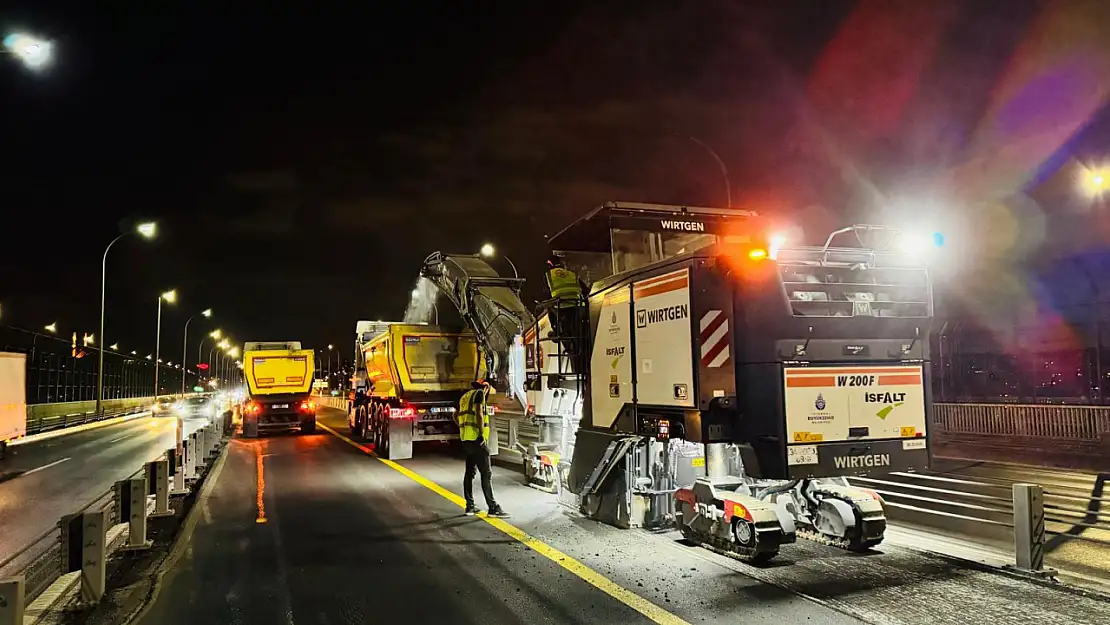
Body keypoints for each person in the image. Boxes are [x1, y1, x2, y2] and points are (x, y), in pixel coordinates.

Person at [456, 380, 507, 517]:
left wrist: (463, 428)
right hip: (476, 439)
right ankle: (493, 508)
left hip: (466, 439)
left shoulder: (465, 397)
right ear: (485, 387)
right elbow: (478, 413)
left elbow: (455, 415)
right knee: (486, 473)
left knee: (469, 473)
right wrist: (481, 433)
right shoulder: (479, 394)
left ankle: (470, 507)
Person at [544, 255, 585, 348]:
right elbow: (585, 289)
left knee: (548, 305)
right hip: (576, 306)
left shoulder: (549, 275)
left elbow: (545, 293)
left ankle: (557, 332)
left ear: (550, 265)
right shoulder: (571, 274)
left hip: (561, 306)